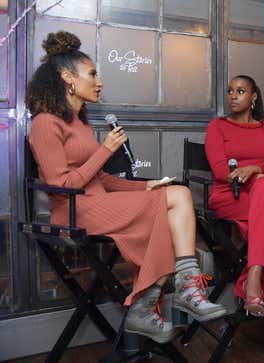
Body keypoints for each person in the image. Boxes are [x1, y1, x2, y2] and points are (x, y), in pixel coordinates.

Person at [26, 31, 225, 344]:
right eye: (92, 73)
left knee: (177, 194)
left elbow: (100, 180)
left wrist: (146, 186)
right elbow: (62, 185)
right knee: (172, 206)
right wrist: (105, 150)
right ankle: (160, 300)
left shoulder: (81, 124)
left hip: (100, 205)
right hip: (72, 212)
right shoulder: (44, 123)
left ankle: (172, 294)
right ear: (68, 78)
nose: (99, 81)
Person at [205, 75, 264, 318]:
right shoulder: (218, 126)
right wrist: (263, 176)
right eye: (230, 91)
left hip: (261, 196)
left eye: (240, 91)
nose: (233, 96)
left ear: (253, 97)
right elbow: (220, 171)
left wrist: (256, 171)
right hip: (229, 195)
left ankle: (252, 283)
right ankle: (254, 283)